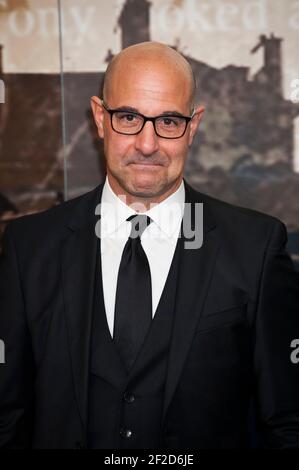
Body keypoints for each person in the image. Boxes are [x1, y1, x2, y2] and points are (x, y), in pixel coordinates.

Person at [0, 41, 299, 449]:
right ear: (99, 118)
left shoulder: (256, 249)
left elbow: (286, 420)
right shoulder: (29, 249)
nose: (146, 144)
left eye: (169, 122)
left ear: (193, 126)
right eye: (128, 117)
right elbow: (7, 416)